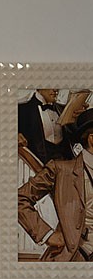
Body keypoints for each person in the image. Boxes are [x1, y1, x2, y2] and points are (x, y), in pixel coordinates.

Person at [17, 108, 93, 261]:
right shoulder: (61, 170)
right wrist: (47, 234)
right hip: (75, 256)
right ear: (92, 139)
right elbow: (19, 198)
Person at [17, 88, 69, 164]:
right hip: (37, 165)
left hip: (64, 164)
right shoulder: (22, 109)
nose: (55, 89)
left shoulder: (62, 109)